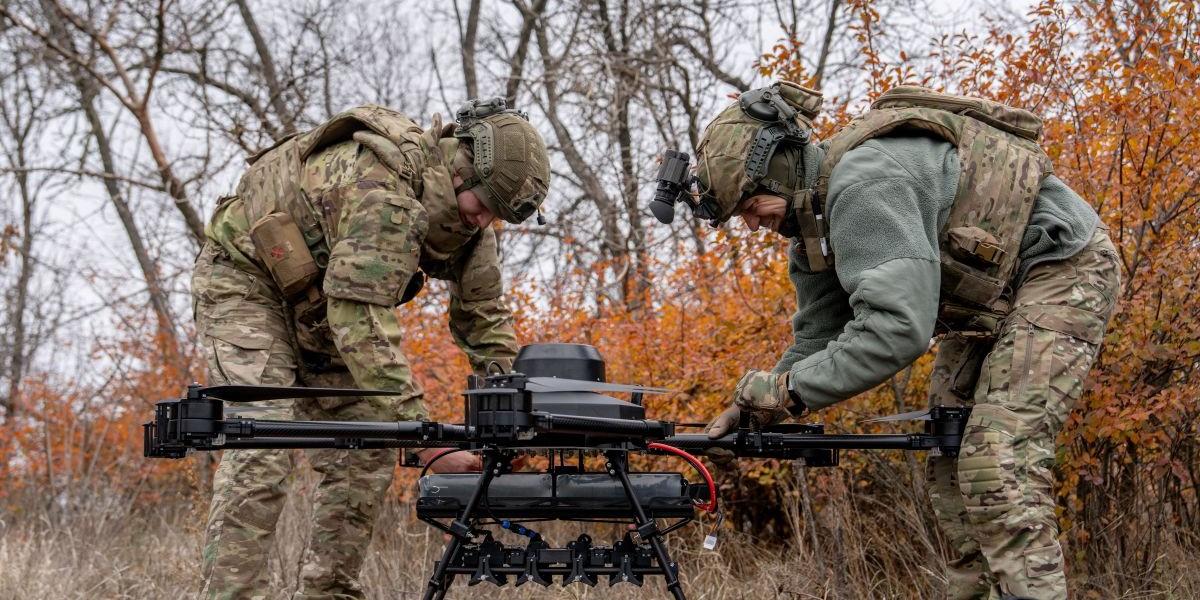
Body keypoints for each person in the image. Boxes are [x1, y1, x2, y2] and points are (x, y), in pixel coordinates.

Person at [670, 81, 1118, 600]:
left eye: (750, 204)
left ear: (782, 166)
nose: (751, 223)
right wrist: (755, 408)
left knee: (997, 461)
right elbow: (820, 334)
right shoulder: (813, 228)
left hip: (1064, 268)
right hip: (991, 300)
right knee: (951, 458)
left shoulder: (862, 187)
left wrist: (788, 391)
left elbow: (897, 332)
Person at [192, 98, 550, 599]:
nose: (484, 221)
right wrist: (425, 438)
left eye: (498, 216)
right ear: (462, 169)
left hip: (323, 307)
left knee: (366, 451)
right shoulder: (385, 193)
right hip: (246, 282)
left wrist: (516, 403)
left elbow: (483, 318)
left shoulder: (470, 227)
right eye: (484, 205)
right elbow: (358, 317)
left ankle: (328, 593)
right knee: (263, 443)